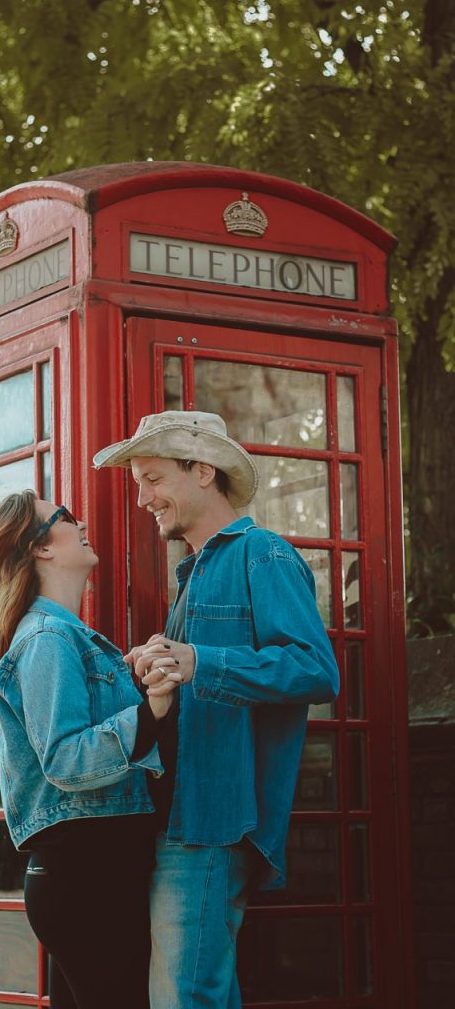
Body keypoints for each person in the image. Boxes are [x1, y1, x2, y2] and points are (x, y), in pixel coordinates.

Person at [94, 410, 340, 1009]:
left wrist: (200, 661)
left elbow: (316, 668)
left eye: (153, 479)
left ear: (203, 471)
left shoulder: (263, 555)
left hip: (214, 818)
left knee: (186, 996)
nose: (143, 498)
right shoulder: (193, 573)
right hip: (178, 810)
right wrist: (155, 669)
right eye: (138, 485)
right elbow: (190, 690)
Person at [0, 490, 179, 1009]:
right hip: (90, 879)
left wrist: (130, 677)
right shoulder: (47, 638)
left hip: (88, 875)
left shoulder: (63, 635)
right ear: (40, 549)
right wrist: (149, 710)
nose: (81, 520)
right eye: (63, 517)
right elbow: (64, 757)